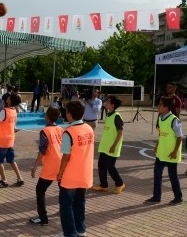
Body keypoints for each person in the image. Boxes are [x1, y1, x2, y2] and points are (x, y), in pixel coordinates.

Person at [57, 101, 94, 237]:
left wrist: (60, 173)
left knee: (66, 205)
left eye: (66, 111)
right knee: (80, 203)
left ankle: (70, 233)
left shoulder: (68, 132)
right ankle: (80, 230)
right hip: (85, 174)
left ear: (70, 114)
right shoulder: (89, 129)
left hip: (71, 176)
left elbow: (65, 157)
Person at [144, 97, 183, 206]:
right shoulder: (160, 118)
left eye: (160, 105)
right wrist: (157, 146)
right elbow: (161, 135)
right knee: (157, 174)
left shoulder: (174, 120)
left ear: (166, 107)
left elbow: (179, 137)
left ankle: (178, 197)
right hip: (162, 152)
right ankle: (156, 197)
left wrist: (175, 151)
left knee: (172, 175)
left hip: (171, 153)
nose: (158, 106)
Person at [29, 107, 63, 225]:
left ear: (47, 117)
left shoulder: (45, 131)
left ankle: (43, 217)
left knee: (40, 190)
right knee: (62, 188)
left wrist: (35, 167)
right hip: (61, 162)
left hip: (51, 164)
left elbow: (42, 150)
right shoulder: (60, 129)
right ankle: (63, 210)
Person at [0, 94, 24, 188]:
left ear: (10, 101)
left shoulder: (4, 111)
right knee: (11, 160)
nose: (7, 98)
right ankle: (20, 178)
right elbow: (4, 120)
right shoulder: (14, 111)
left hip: (2, 140)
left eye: (9, 98)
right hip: (10, 139)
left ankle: (4, 180)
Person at [92, 95, 125, 194]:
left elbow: (120, 132)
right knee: (101, 165)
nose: (105, 103)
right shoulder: (109, 115)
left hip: (112, 147)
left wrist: (114, 145)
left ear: (112, 105)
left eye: (108, 102)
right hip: (105, 146)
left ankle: (120, 184)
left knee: (110, 166)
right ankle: (103, 185)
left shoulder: (116, 116)